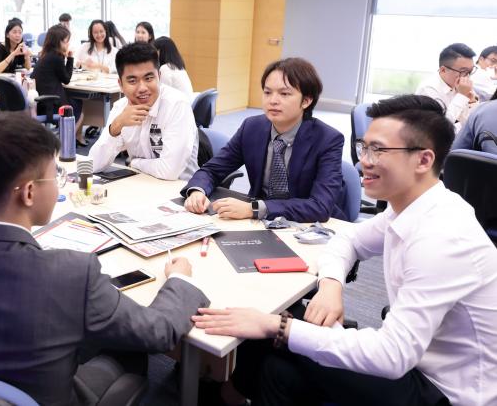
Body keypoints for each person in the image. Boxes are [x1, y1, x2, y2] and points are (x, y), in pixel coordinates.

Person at [0, 111, 209, 406]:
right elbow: (159, 332)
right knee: (127, 349)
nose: (58, 184)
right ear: (29, 192)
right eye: (55, 176)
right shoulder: (72, 275)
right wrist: (179, 278)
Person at [194, 95, 497, 406]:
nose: (364, 160)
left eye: (378, 150)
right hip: (417, 359)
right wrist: (330, 286)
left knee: (273, 328)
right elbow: (347, 240)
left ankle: (220, 391)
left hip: (444, 391)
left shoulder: (441, 239)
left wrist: (278, 326)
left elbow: (392, 357)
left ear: (423, 160)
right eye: (364, 147)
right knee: (276, 370)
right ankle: (227, 390)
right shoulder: (410, 208)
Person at [183, 58, 344, 222]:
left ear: (306, 100)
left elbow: (320, 206)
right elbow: (212, 170)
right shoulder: (252, 128)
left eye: (284, 94)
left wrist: (254, 209)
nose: (273, 100)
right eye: (267, 92)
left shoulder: (328, 140)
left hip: (308, 227)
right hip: (260, 224)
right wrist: (197, 191)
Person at [88, 42, 199, 181]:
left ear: (159, 76)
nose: (142, 88)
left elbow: (169, 172)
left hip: (179, 192)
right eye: (132, 81)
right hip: (139, 186)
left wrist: (135, 163)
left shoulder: (176, 105)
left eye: (148, 78)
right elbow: (92, 165)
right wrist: (116, 126)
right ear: (120, 85)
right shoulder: (120, 108)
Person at [30, 24, 86, 145]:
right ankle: (64, 142)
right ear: (57, 42)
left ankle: (69, 138)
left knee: (75, 101)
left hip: (40, 102)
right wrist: (70, 58)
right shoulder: (56, 57)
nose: (67, 45)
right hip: (51, 103)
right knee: (79, 107)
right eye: (66, 42)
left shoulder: (45, 55)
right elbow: (66, 79)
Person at [415, 43, 478, 132]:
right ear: (443, 70)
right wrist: (462, 96)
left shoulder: (460, 84)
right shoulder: (428, 89)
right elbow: (440, 127)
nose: (467, 77)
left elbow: (472, 124)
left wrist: (472, 102)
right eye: (463, 71)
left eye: (470, 72)